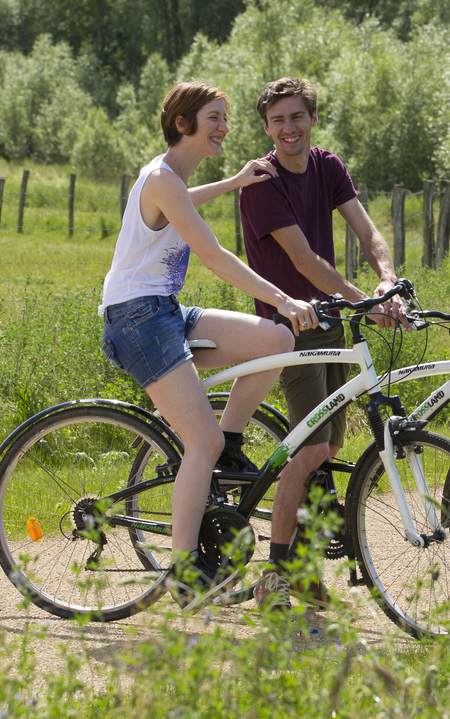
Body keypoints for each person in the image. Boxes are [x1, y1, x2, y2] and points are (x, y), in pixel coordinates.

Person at [99, 80, 318, 606]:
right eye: (215, 118)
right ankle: (183, 572)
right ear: (184, 123)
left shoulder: (170, 178)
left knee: (274, 339)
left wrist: (235, 181)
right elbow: (215, 255)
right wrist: (283, 296)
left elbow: (183, 202)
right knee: (201, 442)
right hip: (136, 320)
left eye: (225, 117)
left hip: (165, 313)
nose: (225, 126)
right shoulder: (160, 177)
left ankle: (233, 441)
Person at [239, 76, 404, 611]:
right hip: (290, 326)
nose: (288, 128)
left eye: (297, 117)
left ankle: (307, 567)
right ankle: (276, 574)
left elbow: (368, 232)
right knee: (310, 448)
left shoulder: (328, 166)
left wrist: (387, 281)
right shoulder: (262, 184)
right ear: (267, 127)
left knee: (330, 448)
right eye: (277, 120)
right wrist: (368, 303)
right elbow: (305, 262)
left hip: (331, 320)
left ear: (311, 119)